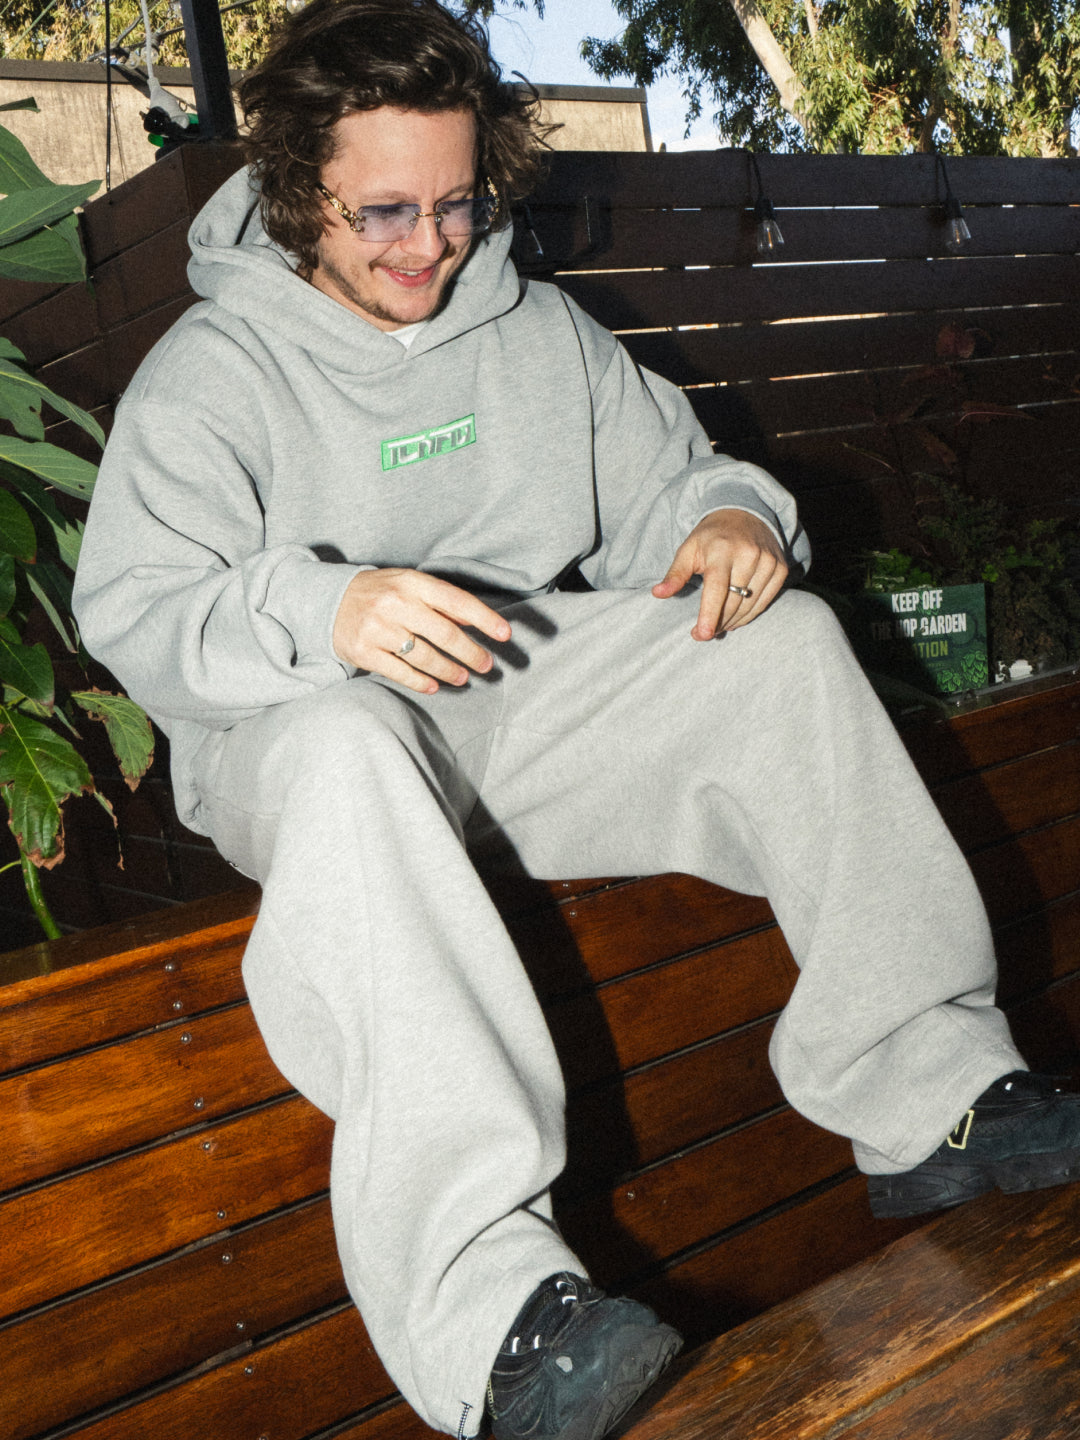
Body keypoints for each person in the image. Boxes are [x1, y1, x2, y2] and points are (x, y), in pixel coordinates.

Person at [72, 2, 1080, 1437]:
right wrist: (322, 611)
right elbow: (136, 611)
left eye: (456, 205)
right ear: (297, 190)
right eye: (385, 211)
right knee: (353, 740)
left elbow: (676, 481)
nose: (429, 246)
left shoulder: (532, 328)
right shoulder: (211, 372)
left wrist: (731, 519)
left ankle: (935, 1098)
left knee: (780, 645)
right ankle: (488, 1316)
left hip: (511, 705)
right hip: (298, 739)